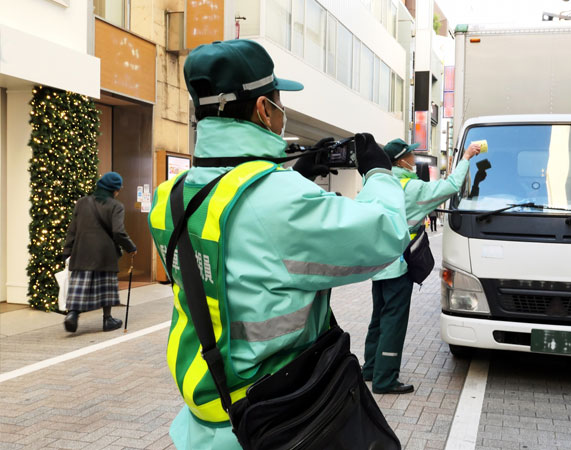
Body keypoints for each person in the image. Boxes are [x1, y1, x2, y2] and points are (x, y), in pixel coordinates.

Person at [148, 40, 409, 449]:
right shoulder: (279, 199)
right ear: (264, 111)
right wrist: (379, 174)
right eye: (278, 100)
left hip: (206, 415)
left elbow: (247, 255)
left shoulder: (170, 196)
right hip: (278, 416)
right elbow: (386, 233)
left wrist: (295, 178)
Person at [362, 139, 480, 394]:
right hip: (399, 266)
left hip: (377, 265)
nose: (414, 159)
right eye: (411, 154)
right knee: (394, 321)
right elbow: (449, 186)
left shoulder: (376, 185)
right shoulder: (410, 187)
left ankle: (370, 369)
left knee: (378, 318)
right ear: (401, 160)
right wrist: (467, 158)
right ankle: (385, 379)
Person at [62, 172, 137, 332]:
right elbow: (118, 232)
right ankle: (107, 320)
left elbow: (72, 230)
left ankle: (73, 315)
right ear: (114, 190)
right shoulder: (116, 206)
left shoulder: (81, 203)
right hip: (105, 253)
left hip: (81, 251)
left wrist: (67, 250)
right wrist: (131, 247)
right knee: (106, 287)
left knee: (79, 285)